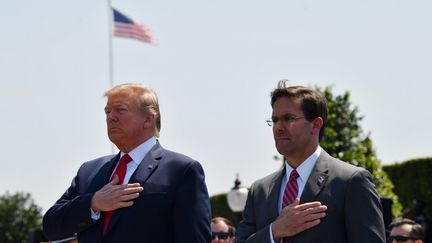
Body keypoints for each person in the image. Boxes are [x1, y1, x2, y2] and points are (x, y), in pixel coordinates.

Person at [43, 83, 211, 243]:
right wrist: (93, 203)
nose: (111, 117)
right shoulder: (89, 171)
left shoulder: (182, 171)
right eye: (107, 111)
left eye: (120, 110)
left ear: (148, 119)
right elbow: (51, 225)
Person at [235, 80, 386, 243]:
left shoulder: (350, 181)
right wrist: (275, 230)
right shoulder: (260, 191)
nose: (279, 127)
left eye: (288, 118)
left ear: (316, 125)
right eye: (275, 120)